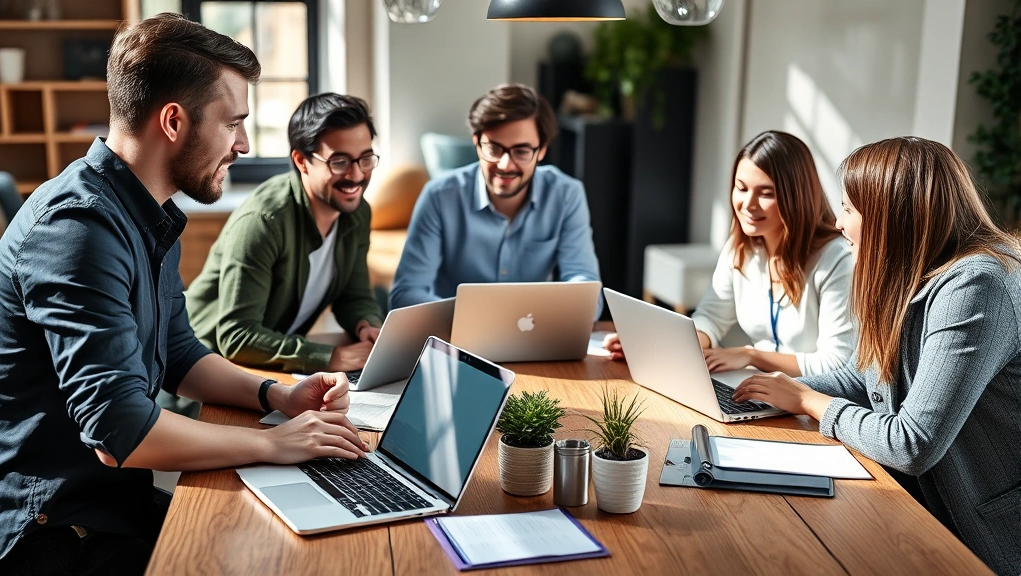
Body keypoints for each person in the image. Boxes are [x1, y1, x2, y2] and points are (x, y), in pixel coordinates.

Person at [0, 15, 366, 574]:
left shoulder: (152, 214)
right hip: (55, 528)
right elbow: (118, 431)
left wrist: (276, 396)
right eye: (234, 123)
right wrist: (274, 444)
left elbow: (181, 353)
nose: (243, 144)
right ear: (173, 120)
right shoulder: (76, 230)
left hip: (116, 502)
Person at [733, 137, 1021, 575]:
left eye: (848, 208)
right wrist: (773, 393)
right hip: (916, 507)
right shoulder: (908, 272)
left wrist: (809, 402)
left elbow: (912, 444)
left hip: (976, 533)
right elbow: (862, 378)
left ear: (892, 216)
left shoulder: (976, 285)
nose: (837, 220)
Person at [605, 130, 854, 377]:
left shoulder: (837, 259)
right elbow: (710, 319)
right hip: (761, 389)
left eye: (766, 193)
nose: (748, 204)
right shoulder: (741, 249)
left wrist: (751, 355)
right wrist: (654, 346)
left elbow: (836, 365)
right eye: (741, 188)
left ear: (796, 196)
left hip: (808, 401)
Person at [186, 93, 384, 374]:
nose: (356, 175)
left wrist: (367, 324)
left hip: (270, 366)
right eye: (339, 162)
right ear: (302, 161)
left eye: (365, 159)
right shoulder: (263, 222)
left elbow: (354, 296)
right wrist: (329, 358)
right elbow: (236, 336)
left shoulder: (357, 212)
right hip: (202, 371)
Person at [388, 83, 602, 315]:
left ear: (541, 151)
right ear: (476, 142)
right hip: (454, 338)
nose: (505, 165)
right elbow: (406, 294)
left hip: (534, 339)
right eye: (494, 149)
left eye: (521, 151)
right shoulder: (439, 196)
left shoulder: (566, 195)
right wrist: (474, 319)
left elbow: (587, 291)